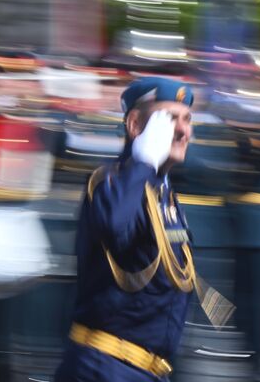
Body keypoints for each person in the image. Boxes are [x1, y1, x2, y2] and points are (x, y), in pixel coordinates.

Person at [55, 77, 217, 381]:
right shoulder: (110, 182)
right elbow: (115, 228)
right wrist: (143, 162)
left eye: (187, 119)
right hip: (106, 367)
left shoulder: (164, 194)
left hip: (147, 370)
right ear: (134, 125)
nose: (183, 131)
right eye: (169, 119)